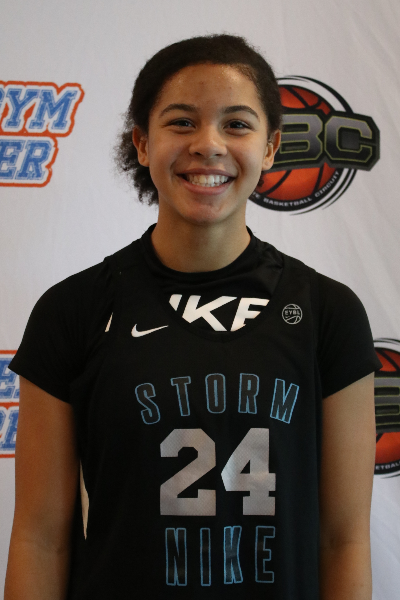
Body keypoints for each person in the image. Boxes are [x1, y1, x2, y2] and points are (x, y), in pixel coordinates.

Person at [5, 34, 380, 600]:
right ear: (142, 142)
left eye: (237, 124)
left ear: (271, 148)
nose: (208, 144)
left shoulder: (330, 313)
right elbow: (40, 539)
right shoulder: (73, 311)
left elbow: (343, 539)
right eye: (181, 122)